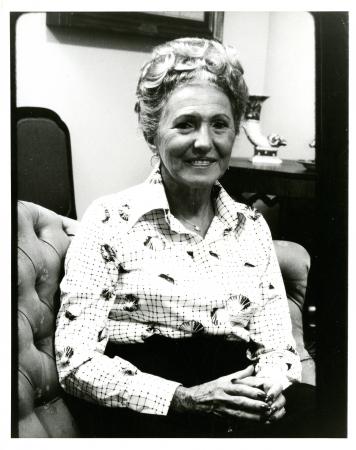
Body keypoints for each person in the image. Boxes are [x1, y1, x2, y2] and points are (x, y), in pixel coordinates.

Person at [55, 37, 316, 437]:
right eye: (185, 124)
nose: (204, 143)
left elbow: (278, 347)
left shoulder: (253, 226)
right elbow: (76, 363)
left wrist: (271, 388)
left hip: (238, 402)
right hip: (152, 411)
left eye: (219, 124)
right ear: (152, 130)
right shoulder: (108, 220)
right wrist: (185, 399)